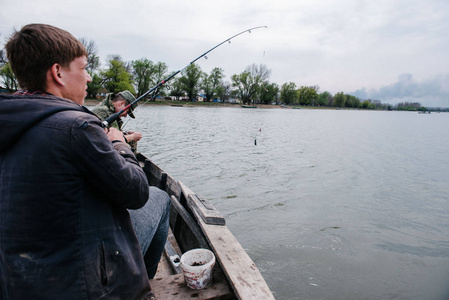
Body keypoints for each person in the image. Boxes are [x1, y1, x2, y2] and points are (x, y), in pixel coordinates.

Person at [0, 23, 169, 300]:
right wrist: (119, 144)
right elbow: (136, 193)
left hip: (20, 281)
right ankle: (141, 291)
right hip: (78, 285)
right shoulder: (76, 126)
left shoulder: (11, 122)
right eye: (83, 68)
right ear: (58, 73)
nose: (89, 78)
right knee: (159, 197)